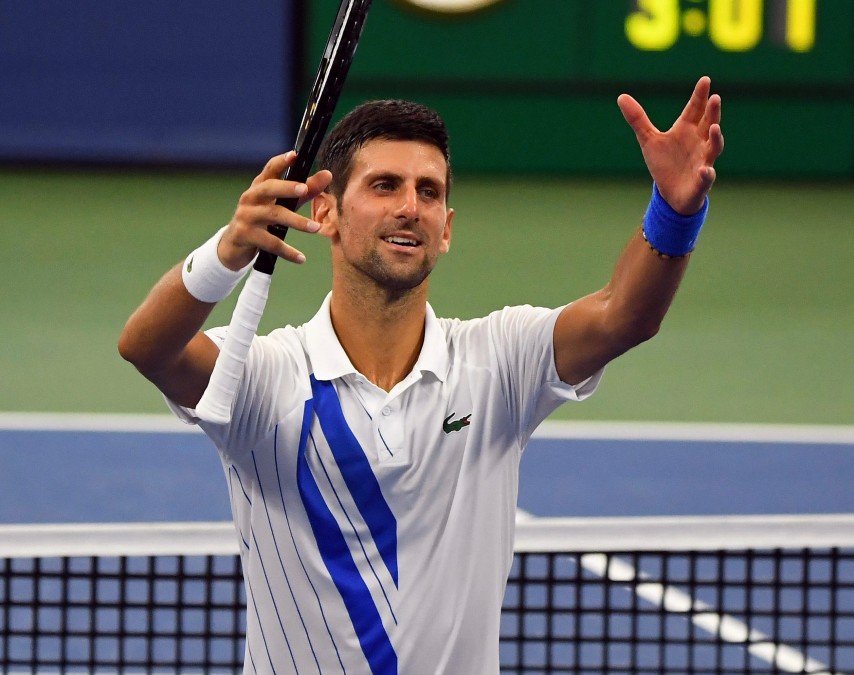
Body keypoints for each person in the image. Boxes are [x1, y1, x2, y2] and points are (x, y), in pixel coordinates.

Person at [118, 76, 723, 674]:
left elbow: (624, 316)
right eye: (385, 185)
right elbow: (148, 349)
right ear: (325, 211)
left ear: (447, 228)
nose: (410, 207)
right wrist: (225, 253)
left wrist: (675, 211)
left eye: (428, 192)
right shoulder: (267, 377)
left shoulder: (500, 362)